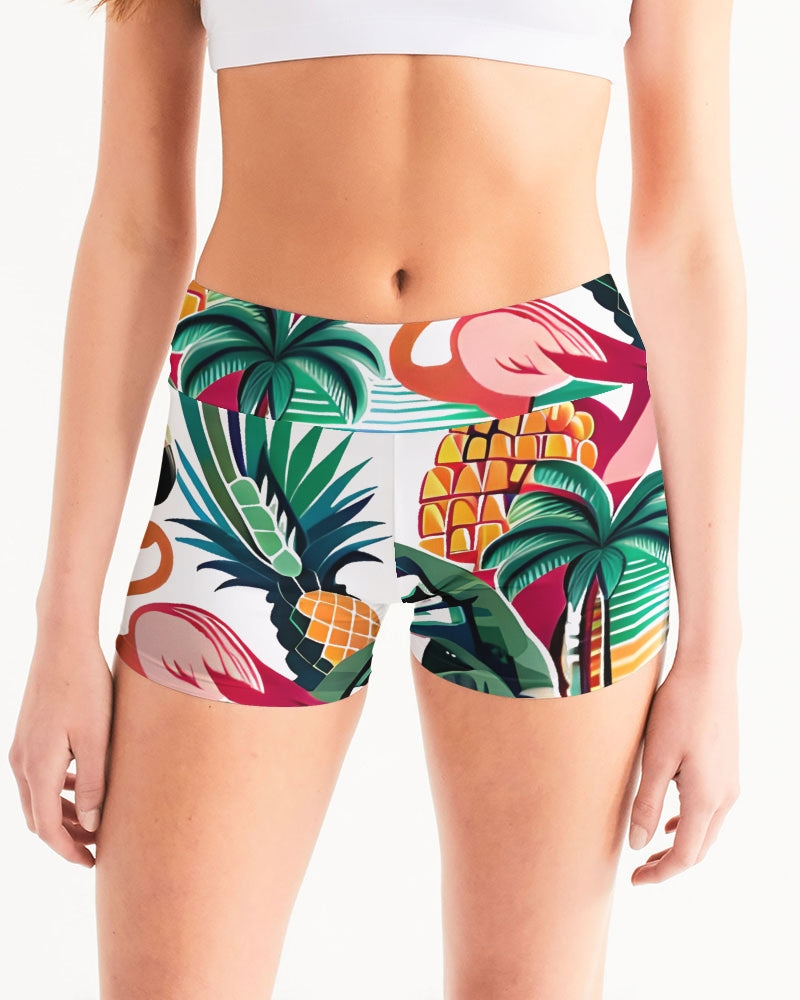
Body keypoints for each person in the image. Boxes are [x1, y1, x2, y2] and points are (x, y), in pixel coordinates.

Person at [8, 0, 744, 996]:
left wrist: (712, 656)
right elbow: (136, 227)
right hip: (254, 427)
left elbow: (688, 237)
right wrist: (61, 626)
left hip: (550, 440)